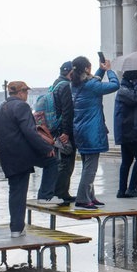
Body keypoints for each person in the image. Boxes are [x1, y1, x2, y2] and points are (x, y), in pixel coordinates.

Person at [0, 81, 60, 237]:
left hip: (8, 155)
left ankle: (16, 229)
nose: (27, 95)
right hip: (24, 154)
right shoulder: (21, 107)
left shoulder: (0, 109)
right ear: (21, 92)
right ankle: (45, 196)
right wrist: (46, 149)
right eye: (26, 92)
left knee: (16, 191)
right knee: (53, 161)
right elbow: (30, 132)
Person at [71, 56, 119, 210]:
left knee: (87, 165)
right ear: (86, 68)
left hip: (80, 131)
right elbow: (114, 85)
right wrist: (110, 71)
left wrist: (101, 70)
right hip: (92, 132)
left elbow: (94, 80)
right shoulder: (91, 86)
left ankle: (90, 196)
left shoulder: (76, 85)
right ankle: (83, 199)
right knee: (90, 168)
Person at [114, 70, 137, 198]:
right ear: (133, 77)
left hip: (128, 130)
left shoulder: (126, 88)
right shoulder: (124, 90)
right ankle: (132, 188)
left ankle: (122, 190)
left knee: (127, 161)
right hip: (130, 130)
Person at [51, 61, 76, 203]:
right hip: (64, 130)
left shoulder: (56, 83)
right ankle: (61, 193)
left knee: (61, 162)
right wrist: (66, 132)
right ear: (71, 72)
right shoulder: (66, 86)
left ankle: (60, 192)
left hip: (56, 129)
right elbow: (67, 111)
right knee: (66, 162)